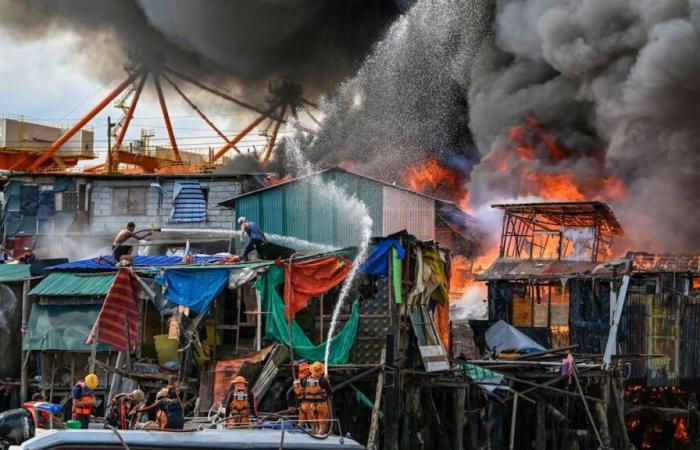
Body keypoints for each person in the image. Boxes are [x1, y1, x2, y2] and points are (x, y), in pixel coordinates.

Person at [302, 362, 334, 435]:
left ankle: (313, 440)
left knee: (315, 426)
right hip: (321, 405)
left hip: (310, 406)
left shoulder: (305, 380)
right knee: (323, 426)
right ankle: (319, 440)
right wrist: (327, 382)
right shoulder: (323, 380)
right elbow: (331, 392)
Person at [292, 361, 310, 427]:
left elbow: (289, 394)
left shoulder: (296, 381)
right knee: (314, 422)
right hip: (308, 403)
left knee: (301, 422)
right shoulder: (307, 380)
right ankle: (316, 435)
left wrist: (292, 405)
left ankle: (296, 434)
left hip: (301, 404)